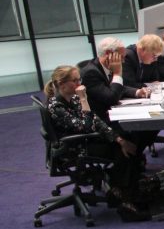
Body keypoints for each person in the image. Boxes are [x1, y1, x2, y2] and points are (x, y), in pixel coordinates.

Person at [44, 65, 151, 221]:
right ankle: (126, 202)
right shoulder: (56, 107)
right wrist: (84, 99)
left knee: (126, 141)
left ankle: (120, 190)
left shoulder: (72, 98)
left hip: (84, 140)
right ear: (62, 84)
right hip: (74, 148)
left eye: (79, 79)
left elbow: (95, 120)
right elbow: (85, 127)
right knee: (122, 153)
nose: (79, 83)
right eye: (74, 81)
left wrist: (119, 139)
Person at [80, 37, 148, 124]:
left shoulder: (108, 66)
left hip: (114, 115)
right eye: (121, 57)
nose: (123, 61)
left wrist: (137, 92)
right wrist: (117, 73)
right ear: (109, 54)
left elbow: (118, 87)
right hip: (103, 122)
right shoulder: (90, 73)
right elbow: (111, 98)